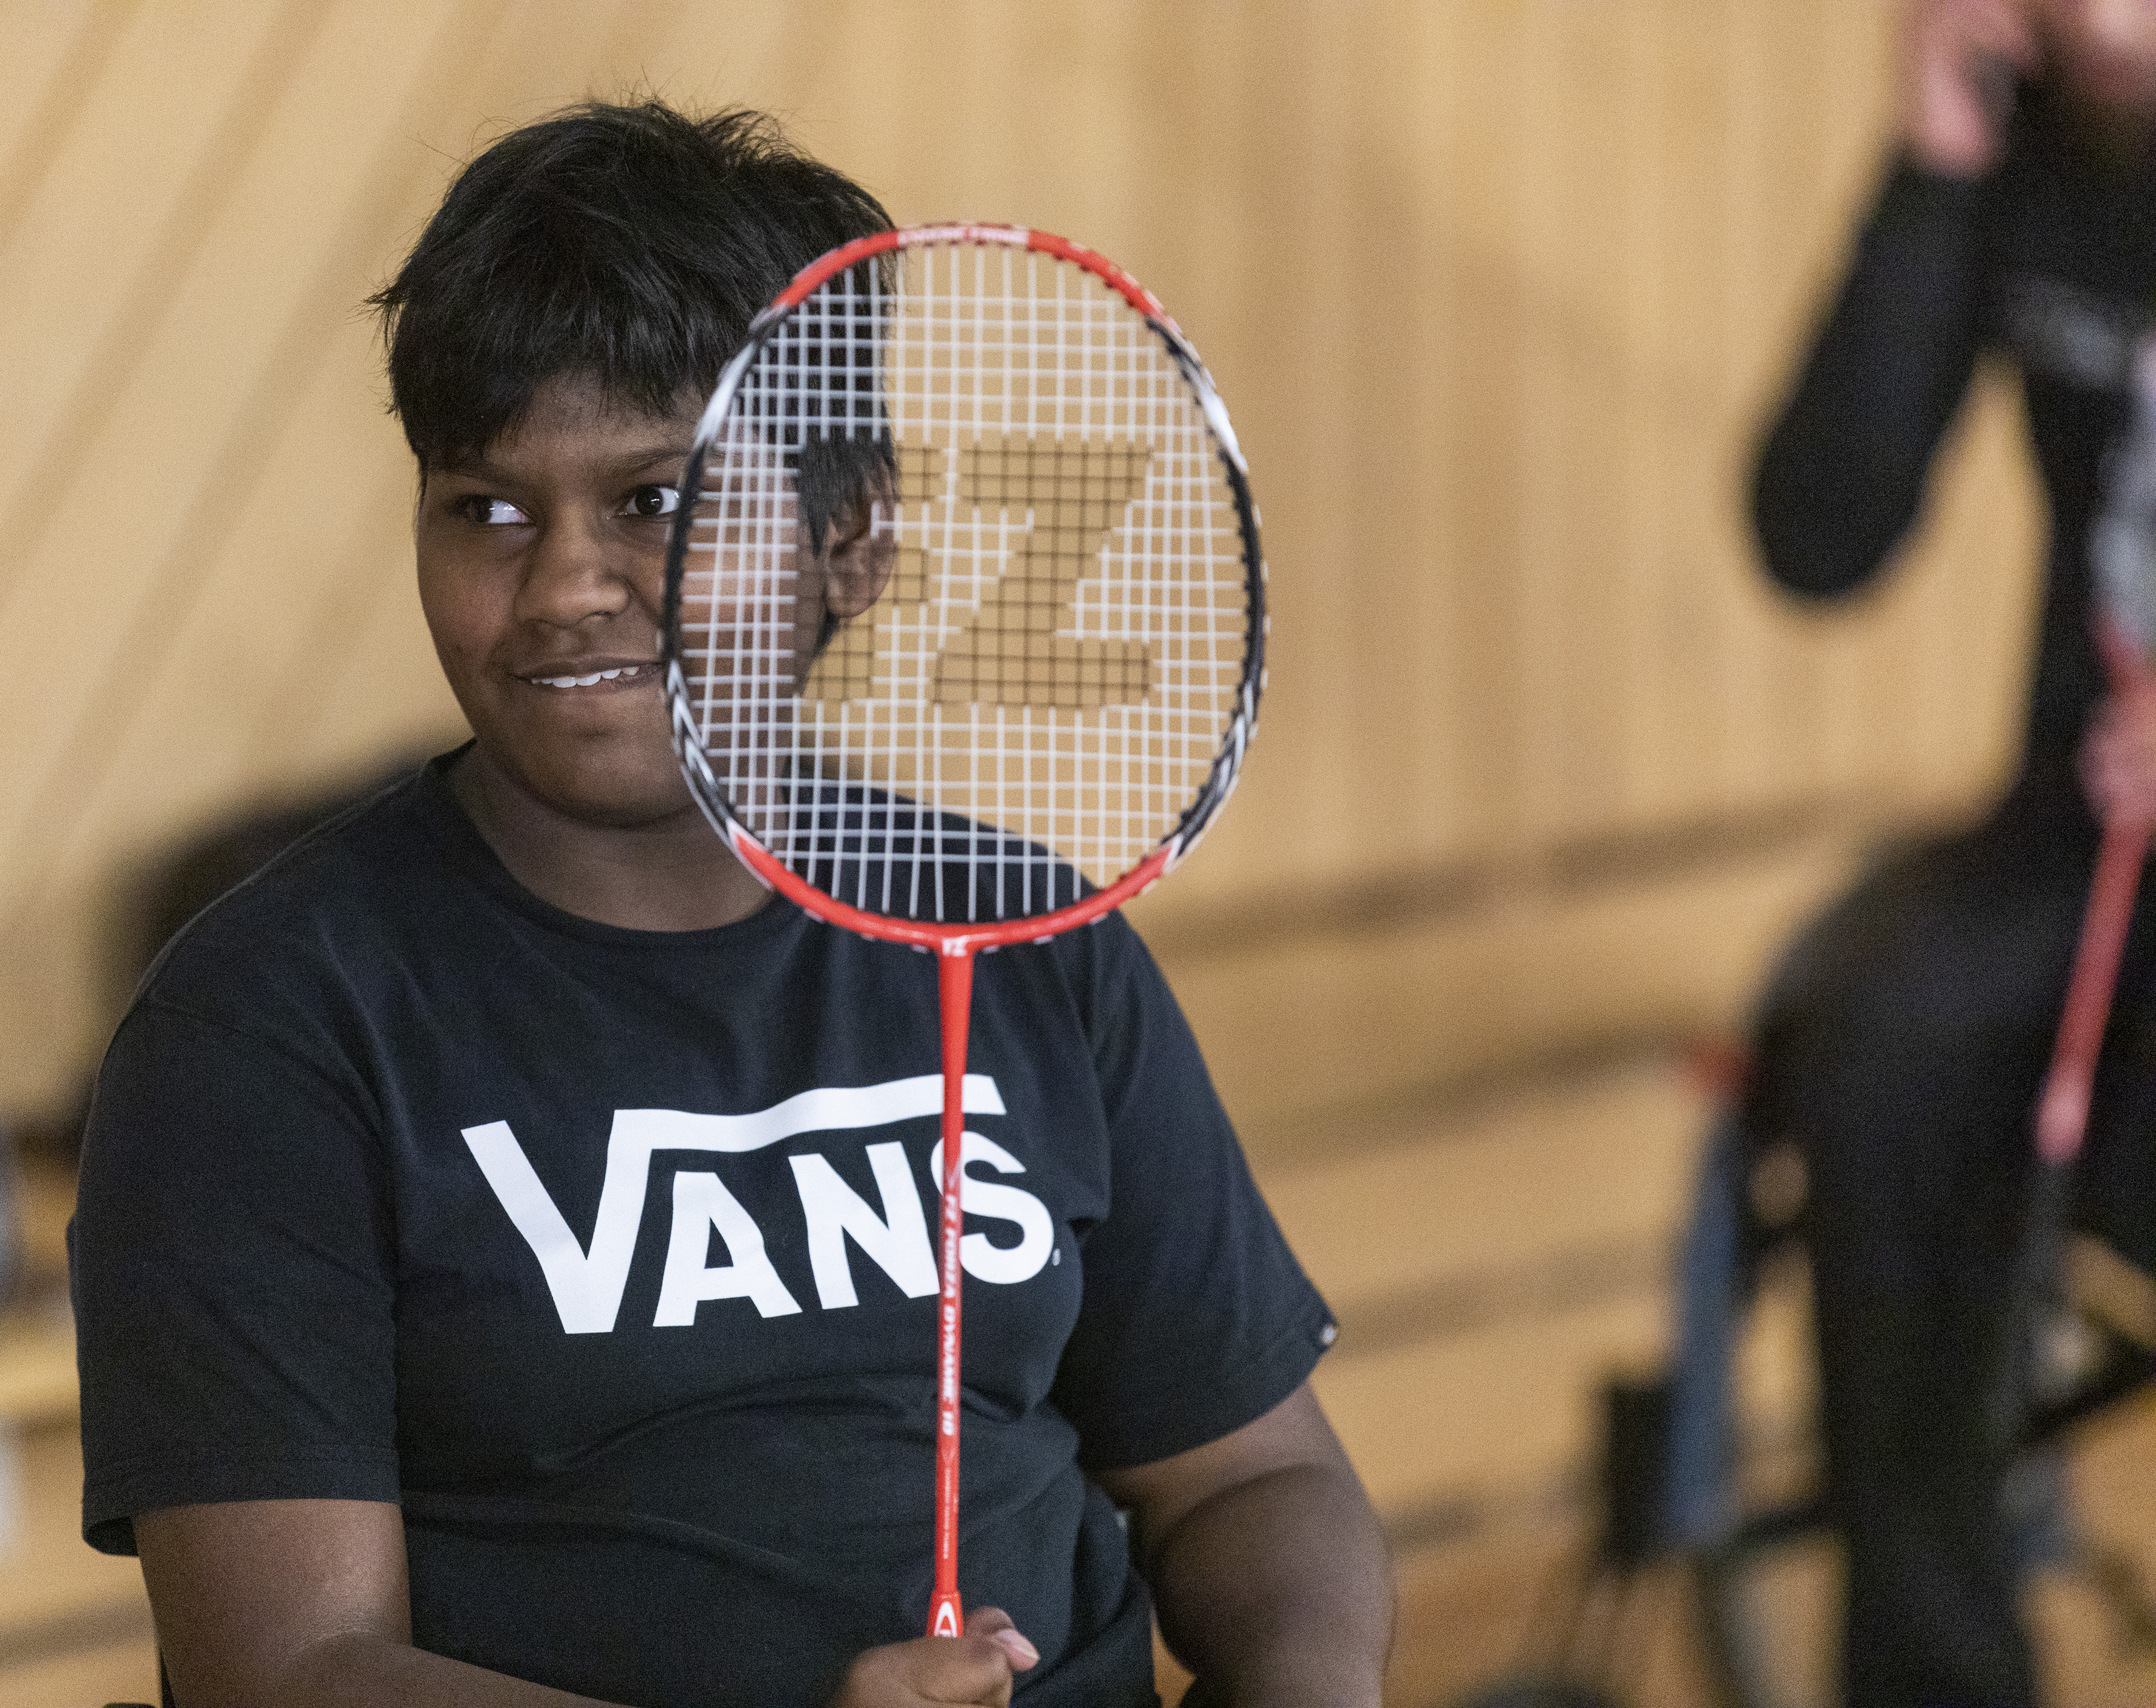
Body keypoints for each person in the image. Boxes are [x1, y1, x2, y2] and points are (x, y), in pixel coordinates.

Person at [68, 101, 1390, 1708]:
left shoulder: (1023, 938)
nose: (561, 583)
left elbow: (1255, 1480)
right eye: (487, 508)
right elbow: (289, 1670)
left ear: (854, 539)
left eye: (654, 501)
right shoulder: (268, 1029)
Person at [1745, 3, 2156, 1704]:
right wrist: (1934, 164)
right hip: (2091, 823)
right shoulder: (2034, 153)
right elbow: (1819, 533)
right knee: (1883, 1043)